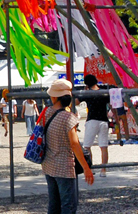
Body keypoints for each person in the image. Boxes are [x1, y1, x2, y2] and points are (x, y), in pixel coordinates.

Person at [41, 79, 95, 214]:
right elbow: (74, 144)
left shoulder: (46, 112)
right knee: (68, 205)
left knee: (54, 205)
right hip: (64, 167)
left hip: (48, 164)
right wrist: (86, 167)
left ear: (54, 97)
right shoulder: (68, 117)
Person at [80, 75, 111, 177]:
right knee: (103, 146)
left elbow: (76, 102)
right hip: (104, 120)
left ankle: (90, 168)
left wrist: (84, 91)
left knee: (87, 146)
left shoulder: (87, 93)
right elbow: (111, 106)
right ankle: (103, 170)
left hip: (92, 120)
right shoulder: (103, 92)